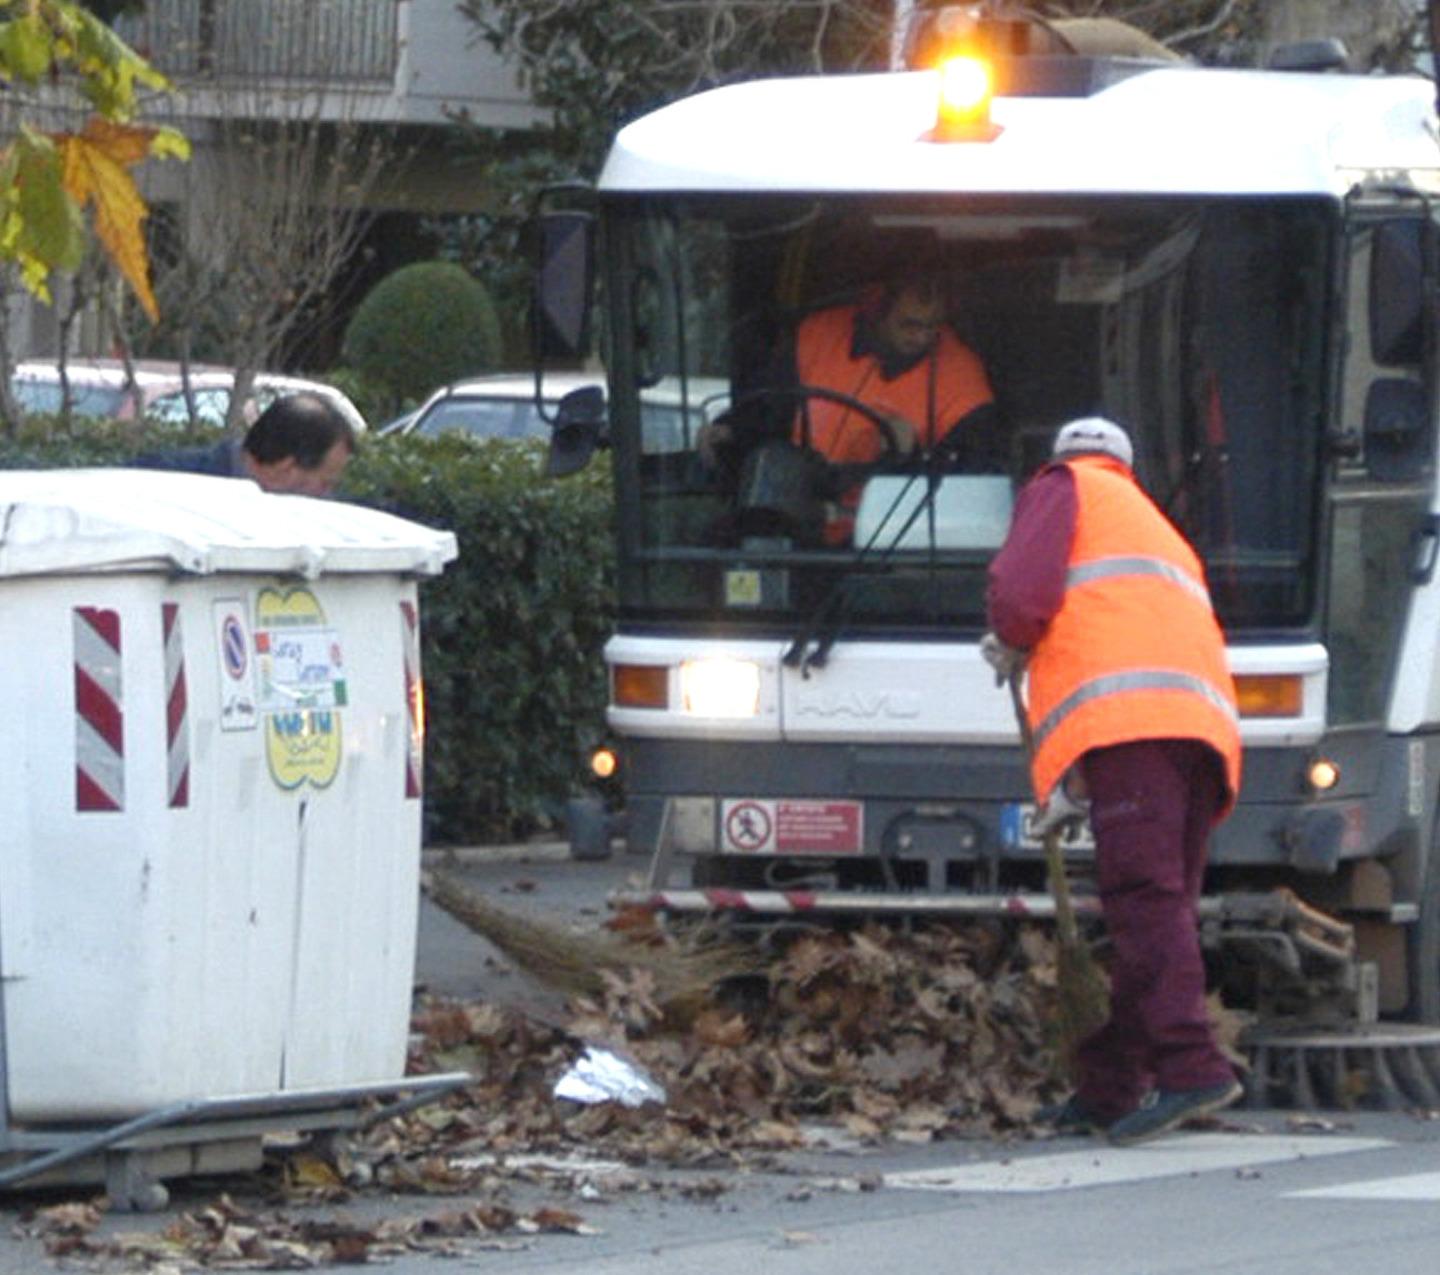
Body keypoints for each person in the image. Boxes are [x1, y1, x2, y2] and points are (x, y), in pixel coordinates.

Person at [982, 416, 1244, 1147]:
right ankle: (1109, 1087)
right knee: (1159, 907)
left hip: (1135, 727)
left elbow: (1021, 589)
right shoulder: (1151, 523)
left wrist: (1008, 634)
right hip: (1197, 733)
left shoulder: (1063, 486)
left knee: (1142, 900)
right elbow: (1128, 631)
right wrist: (1078, 786)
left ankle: (1192, 1065)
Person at [701, 274, 1000, 543]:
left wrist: (913, 454)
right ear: (875, 313)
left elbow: (974, 479)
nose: (922, 338)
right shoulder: (816, 336)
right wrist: (729, 431)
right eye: (909, 325)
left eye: (932, 326)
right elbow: (768, 409)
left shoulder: (963, 379)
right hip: (796, 527)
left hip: (891, 542)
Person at [135, 391, 356, 497]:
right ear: (285, 469)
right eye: (326, 483)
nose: (329, 494)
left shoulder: (325, 515)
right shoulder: (157, 483)